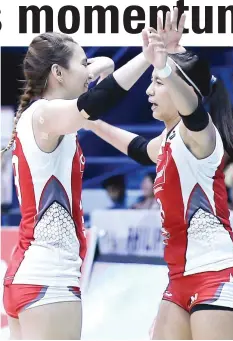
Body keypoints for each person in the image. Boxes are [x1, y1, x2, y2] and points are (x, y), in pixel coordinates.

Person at [83, 9, 233, 340]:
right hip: (178, 280)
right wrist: (87, 121)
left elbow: (192, 108)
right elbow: (136, 147)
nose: (149, 91)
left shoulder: (202, 136)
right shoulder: (168, 142)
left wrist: (165, 63)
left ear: (180, 90)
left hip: (216, 277)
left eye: (157, 84)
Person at [1, 31, 153, 340]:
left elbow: (107, 65)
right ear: (57, 72)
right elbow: (96, 101)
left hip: (30, 274)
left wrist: (84, 67)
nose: (88, 70)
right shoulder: (46, 113)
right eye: (81, 63)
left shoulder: (47, 116)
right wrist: (146, 58)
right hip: (49, 279)